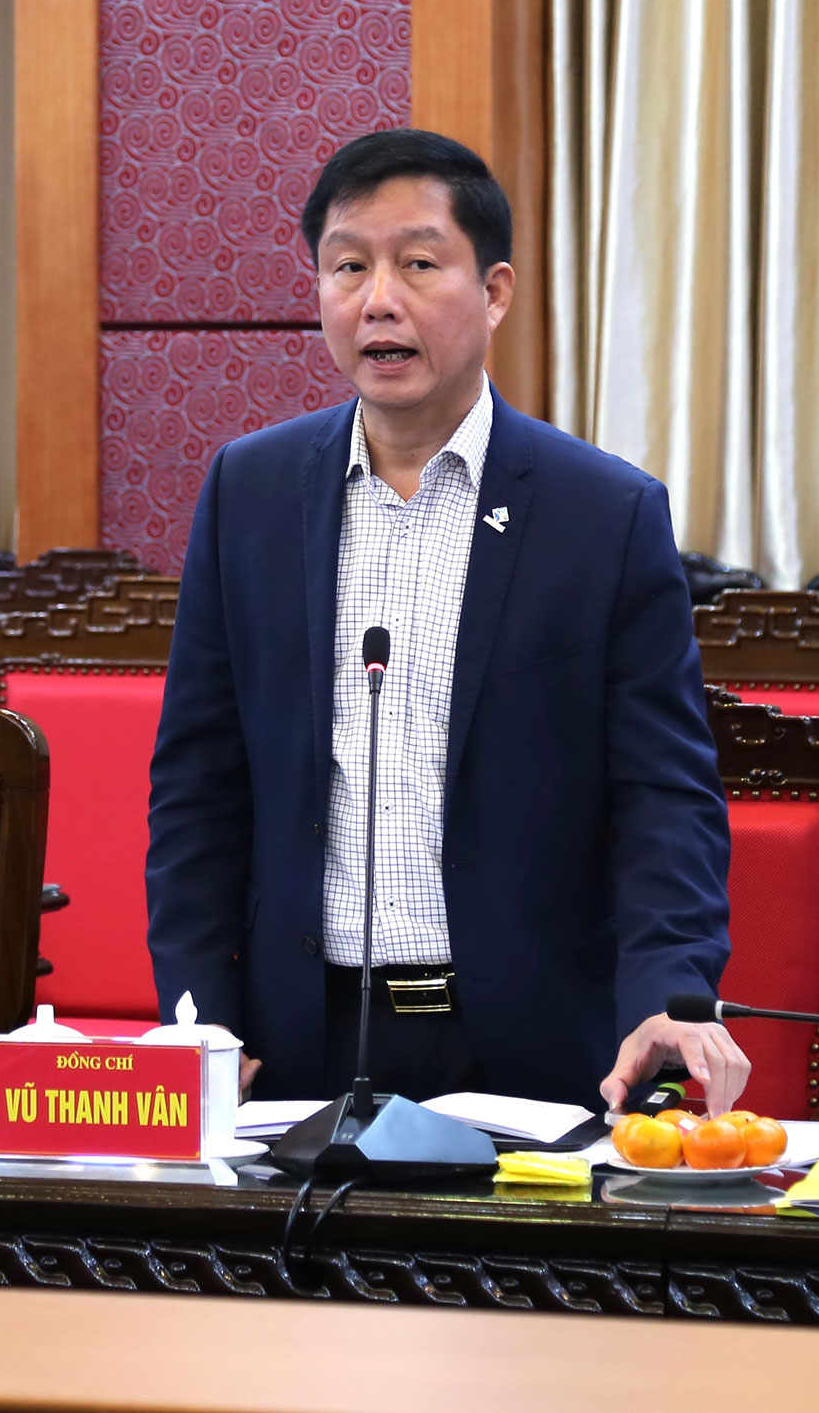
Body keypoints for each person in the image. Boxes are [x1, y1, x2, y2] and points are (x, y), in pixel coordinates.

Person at [146, 128, 746, 1112]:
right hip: (296, 1044)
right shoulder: (249, 492)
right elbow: (197, 783)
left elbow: (662, 794)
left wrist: (666, 996)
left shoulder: (604, 514)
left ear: (495, 290)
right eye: (349, 266)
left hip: (532, 1048)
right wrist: (200, 1014)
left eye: (419, 264)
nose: (378, 299)